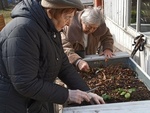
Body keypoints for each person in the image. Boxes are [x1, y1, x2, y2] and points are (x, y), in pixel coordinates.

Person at [0, 0, 105, 113]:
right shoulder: (22, 31)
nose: (69, 23)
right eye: (67, 17)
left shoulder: (50, 29)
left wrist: (87, 93)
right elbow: (25, 83)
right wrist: (67, 95)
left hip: (33, 102)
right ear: (50, 12)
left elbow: (63, 65)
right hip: (14, 105)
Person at [61, 7, 114, 72]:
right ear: (82, 21)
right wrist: (77, 61)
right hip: (71, 63)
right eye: (88, 27)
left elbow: (107, 37)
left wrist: (107, 49)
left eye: (94, 28)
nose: (91, 30)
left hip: (90, 59)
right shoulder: (68, 27)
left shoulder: (99, 26)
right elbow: (65, 48)